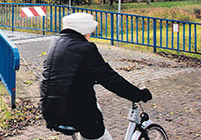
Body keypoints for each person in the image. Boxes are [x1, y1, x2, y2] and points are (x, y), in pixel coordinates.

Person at [40, 12, 152, 140]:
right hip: (73, 113)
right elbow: (110, 79)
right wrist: (138, 94)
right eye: (90, 31)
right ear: (85, 31)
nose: (91, 35)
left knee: (93, 112)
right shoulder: (86, 48)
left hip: (51, 110)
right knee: (98, 131)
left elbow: (67, 73)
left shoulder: (56, 43)